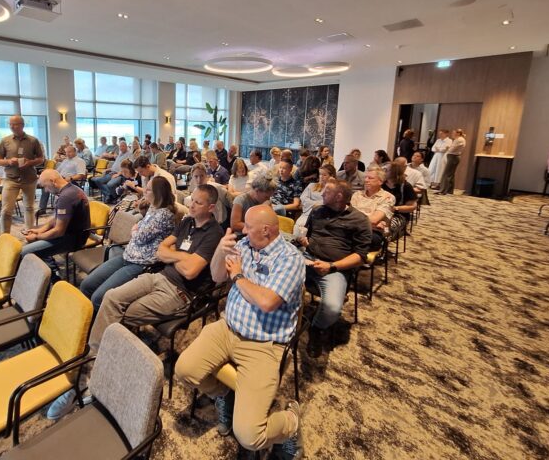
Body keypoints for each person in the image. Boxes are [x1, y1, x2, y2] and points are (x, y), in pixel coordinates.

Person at [176, 206, 304, 458]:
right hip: (227, 328)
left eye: (248, 226)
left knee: (250, 437)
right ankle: (225, 394)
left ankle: (292, 423)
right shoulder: (245, 244)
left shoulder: (290, 259)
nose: (242, 230)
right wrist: (220, 251)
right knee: (184, 371)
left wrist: (238, 276)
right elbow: (216, 276)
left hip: (264, 344)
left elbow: (267, 302)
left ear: (266, 230)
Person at [86, 184, 223, 353]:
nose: (191, 205)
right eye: (192, 200)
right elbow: (160, 250)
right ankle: (96, 353)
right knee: (111, 297)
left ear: (211, 207)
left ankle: (106, 353)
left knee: (123, 312)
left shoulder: (214, 234)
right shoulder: (187, 221)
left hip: (180, 293)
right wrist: (183, 256)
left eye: (198, 203)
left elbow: (190, 272)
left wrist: (172, 253)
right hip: (160, 275)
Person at [79, 177, 180, 311]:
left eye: (148, 189)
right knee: (86, 285)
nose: (144, 191)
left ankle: (102, 321)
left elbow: (140, 237)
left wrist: (135, 230)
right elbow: (140, 227)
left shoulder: (164, 214)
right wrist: (136, 229)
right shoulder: (153, 207)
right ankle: (86, 317)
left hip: (142, 263)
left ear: (158, 193)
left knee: (98, 298)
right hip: (128, 255)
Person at [297, 178, 371, 357]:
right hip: (307, 259)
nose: (321, 194)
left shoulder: (360, 220)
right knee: (272, 276)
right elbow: (308, 235)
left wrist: (331, 266)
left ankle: (316, 328)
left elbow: (360, 256)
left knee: (332, 308)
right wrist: (304, 241)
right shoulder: (317, 211)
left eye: (326, 192)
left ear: (338, 197)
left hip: (334, 269)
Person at [21, 169, 90, 270]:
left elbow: (58, 231)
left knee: (24, 252)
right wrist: (40, 231)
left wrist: (37, 237)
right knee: (34, 240)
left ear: (53, 181)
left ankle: (52, 274)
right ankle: (50, 264)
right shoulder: (71, 188)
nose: (46, 190)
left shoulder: (66, 197)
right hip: (75, 233)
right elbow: (58, 218)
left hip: (73, 239)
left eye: (45, 186)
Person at [0, 115, 45, 234]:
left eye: (15, 124)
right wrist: (9, 161)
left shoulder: (33, 141)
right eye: (10, 124)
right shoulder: (5, 141)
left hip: (29, 179)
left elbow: (41, 159)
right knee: (6, 210)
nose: (12, 126)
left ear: (22, 125)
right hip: (11, 179)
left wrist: (30, 162)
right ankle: (4, 235)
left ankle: (29, 232)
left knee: (29, 207)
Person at [350, 168, 395, 250]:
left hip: (373, 232)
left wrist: (372, 222)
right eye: (366, 177)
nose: (366, 180)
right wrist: (374, 222)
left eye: (370, 178)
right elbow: (349, 215)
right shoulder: (357, 195)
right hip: (353, 228)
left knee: (354, 239)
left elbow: (374, 219)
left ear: (380, 181)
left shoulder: (387, 197)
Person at [39, 145, 87, 213]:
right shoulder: (65, 161)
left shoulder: (80, 161)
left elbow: (81, 174)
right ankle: (42, 208)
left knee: (49, 185)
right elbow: (57, 171)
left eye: (69, 152)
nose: (67, 154)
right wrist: (49, 172)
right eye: (66, 152)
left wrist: (70, 178)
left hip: (72, 182)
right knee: (47, 184)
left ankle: (60, 207)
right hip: (61, 179)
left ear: (75, 152)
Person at [294, 163, 335, 233]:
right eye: (320, 174)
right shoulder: (312, 185)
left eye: (324, 175)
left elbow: (329, 203)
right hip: (307, 213)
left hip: (322, 215)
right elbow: (303, 198)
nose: (321, 177)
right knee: (299, 225)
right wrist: (316, 204)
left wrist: (314, 203)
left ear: (332, 176)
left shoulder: (333, 190)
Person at [438, 129, 466, 195]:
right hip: (453, 157)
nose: (452, 134)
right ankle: (449, 190)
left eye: (454, 133)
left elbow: (451, 149)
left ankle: (443, 190)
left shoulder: (459, 140)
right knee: (451, 174)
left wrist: (448, 148)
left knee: (446, 174)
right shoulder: (458, 139)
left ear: (458, 133)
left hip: (453, 157)